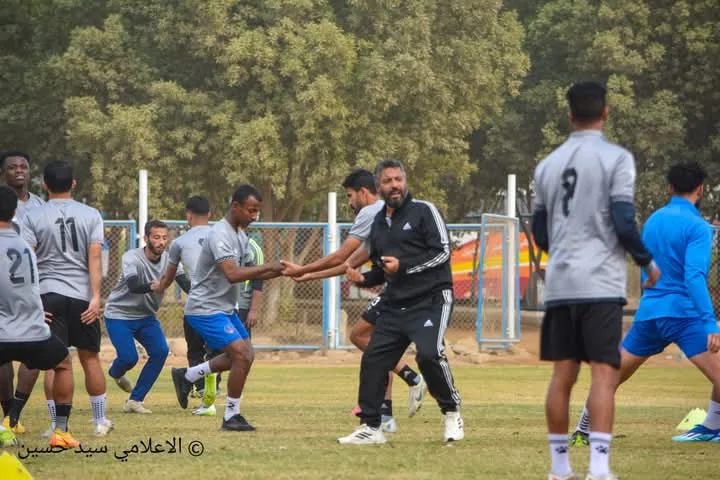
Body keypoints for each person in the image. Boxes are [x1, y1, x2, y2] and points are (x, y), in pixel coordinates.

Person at [531, 81, 660, 480]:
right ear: (605, 113)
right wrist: (646, 261)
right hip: (600, 284)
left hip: (561, 284)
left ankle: (559, 469)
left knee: (562, 375)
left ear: (569, 115)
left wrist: (564, 254)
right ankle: (599, 468)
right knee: (604, 372)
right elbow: (623, 219)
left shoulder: (547, 165)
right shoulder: (616, 158)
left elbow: (539, 229)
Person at [569, 162, 720, 446]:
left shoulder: (652, 222)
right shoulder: (699, 227)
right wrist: (710, 322)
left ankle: (583, 430)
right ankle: (712, 425)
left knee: (611, 376)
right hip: (684, 315)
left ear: (670, 188)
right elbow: (695, 276)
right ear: (700, 189)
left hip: (650, 314)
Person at [283, 169, 426, 432]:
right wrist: (308, 276)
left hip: (402, 291)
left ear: (363, 192)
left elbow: (341, 257)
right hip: (402, 289)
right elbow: (350, 264)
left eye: (350, 196)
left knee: (363, 338)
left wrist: (302, 270)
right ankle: (385, 414)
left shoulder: (370, 213)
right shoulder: (384, 216)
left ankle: (411, 380)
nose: (349, 203)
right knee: (370, 340)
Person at [337, 159, 463, 445]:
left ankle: (452, 412)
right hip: (396, 302)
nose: (394, 185)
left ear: (405, 181)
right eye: (388, 181)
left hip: (432, 299)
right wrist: (363, 279)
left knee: (428, 355)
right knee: (373, 358)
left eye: (399, 179)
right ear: (378, 187)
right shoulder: (380, 222)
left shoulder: (424, 211)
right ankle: (372, 427)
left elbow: (442, 253)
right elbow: (383, 269)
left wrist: (402, 266)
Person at [166, 185, 284, 431]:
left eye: (257, 212)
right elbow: (232, 273)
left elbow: (256, 271)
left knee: (246, 356)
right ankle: (231, 416)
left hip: (225, 308)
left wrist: (278, 269)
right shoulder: (220, 234)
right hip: (205, 308)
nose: (254, 216)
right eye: (251, 210)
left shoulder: (241, 235)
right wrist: (274, 267)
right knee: (241, 355)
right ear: (236, 206)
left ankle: (187, 376)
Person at [20, 159, 114, 437]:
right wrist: (96, 297)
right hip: (82, 297)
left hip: (48, 295)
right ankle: (99, 421)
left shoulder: (33, 216)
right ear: (73, 184)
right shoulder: (91, 214)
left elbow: (28, 263)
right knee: (91, 359)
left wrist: (33, 302)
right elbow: (94, 258)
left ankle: (56, 425)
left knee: (56, 362)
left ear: (44, 185)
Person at [0, 185, 79, 449]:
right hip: (33, 330)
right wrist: (34, 312)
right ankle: (61, 432)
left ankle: (4, 428)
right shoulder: (24, 246)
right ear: (14, 213)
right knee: (64, 363)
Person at [104, 220, 184, 413]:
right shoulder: (132, 257)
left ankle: (135, 400)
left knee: (160, 351)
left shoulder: (170, 260)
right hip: (119, 314)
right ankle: (115, 372)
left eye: (164, 238)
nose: (161, 242)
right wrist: (152, 286)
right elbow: (133, 285)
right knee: (129, 358)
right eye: (156, 237)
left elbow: (184, 281)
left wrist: (200, 294)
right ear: (146, 238)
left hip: (146, 316)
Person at [156, 196, 220, 408]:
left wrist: (159, 286)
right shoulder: (222, 236)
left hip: (195, 307)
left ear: (188, 215)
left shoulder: (179, 242)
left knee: (195, 350)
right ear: (210, 215)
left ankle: (195, 385)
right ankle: (207, 394)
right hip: (221, 305)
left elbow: (172, 274)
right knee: (220, 351)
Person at [0, 150, 45, 435]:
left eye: (24, 166)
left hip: (33, 288)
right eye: (12, 167)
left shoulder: (40, 206)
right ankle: (8, 414)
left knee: (36, 353)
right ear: (3, 173)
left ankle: (15, 412)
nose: (19, 170)